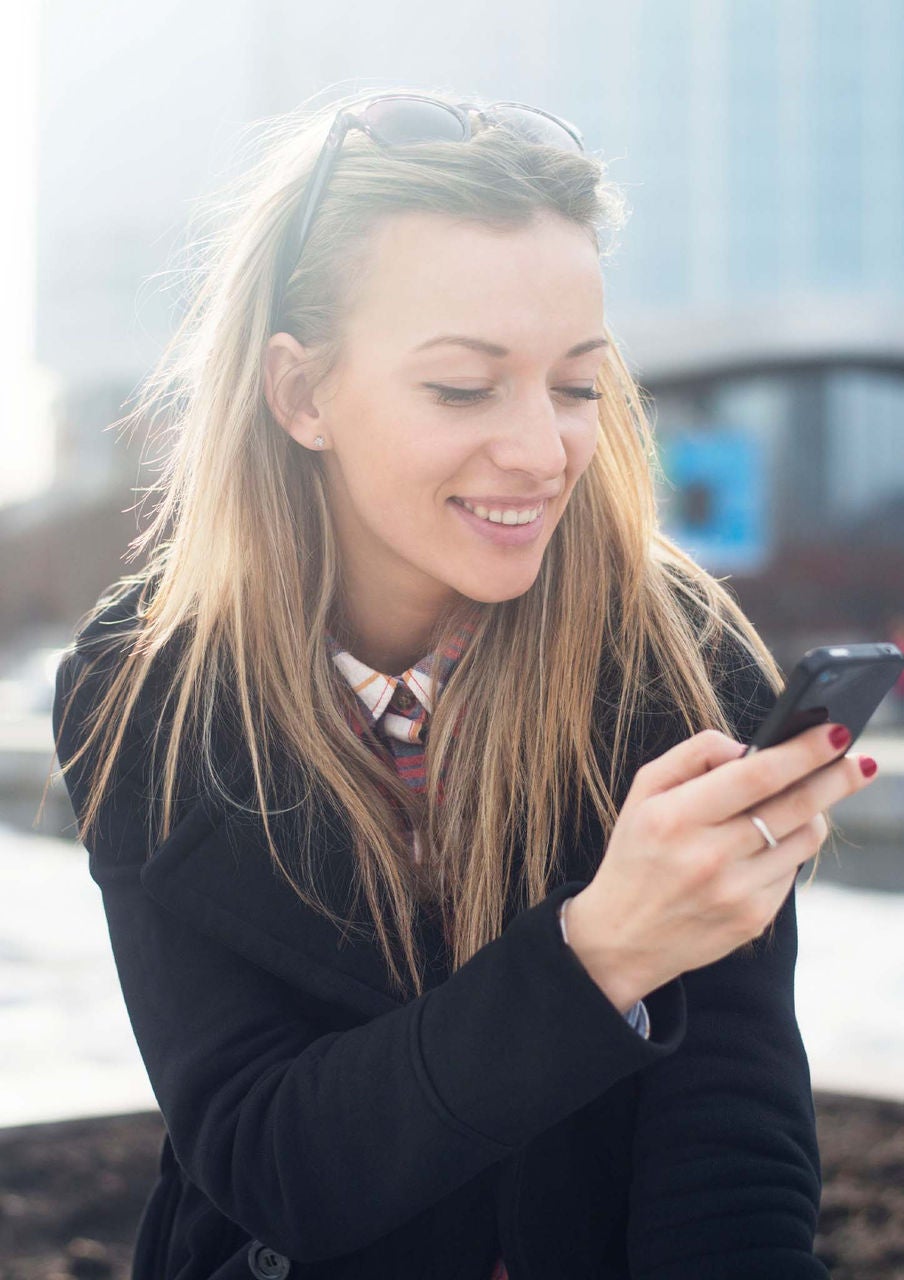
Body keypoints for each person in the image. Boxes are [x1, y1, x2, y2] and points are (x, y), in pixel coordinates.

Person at [52, 90, 878, 1280]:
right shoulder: (148, 686)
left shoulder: (677, 654)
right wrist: (601, 951)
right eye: (462, 386)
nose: (543, 450)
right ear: (300, 394)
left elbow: (730, 1158)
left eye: (576, 383)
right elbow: (270, 1159)